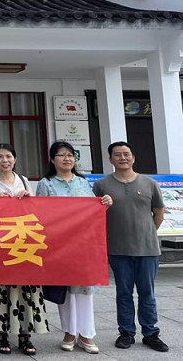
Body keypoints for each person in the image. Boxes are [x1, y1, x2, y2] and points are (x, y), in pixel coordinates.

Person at [36, 141, 113, 354]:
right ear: (53, 160)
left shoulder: (82, 182)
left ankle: (86, 335)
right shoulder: (46, 183)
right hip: (60, 245)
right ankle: (69, 332)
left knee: (85, 289)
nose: (67, 159)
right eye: (62, 155)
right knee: (67, 290)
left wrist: (104, 204)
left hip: (84, 244)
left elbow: (92, 211)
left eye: (70, 155)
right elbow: (40, 214)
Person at [93, 141, 168, 353]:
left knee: (147, 292)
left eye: (126, 154)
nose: (122, 158)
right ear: (110, 159)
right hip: (117, 249)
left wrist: (146, 233)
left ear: (133, 157)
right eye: (117, 155)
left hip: (147, 249)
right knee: (123, 293)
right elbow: (95, 214)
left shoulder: (149, 183)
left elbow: (158, 213)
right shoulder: (101, 185)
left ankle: (151, 333)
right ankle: (126, 333)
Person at [0, 143, 47, 356]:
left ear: (15, 159)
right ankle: (2, 334)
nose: (5, 160)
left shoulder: (24, 181)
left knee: (25, 290)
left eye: (8, 156)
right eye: (0, 157)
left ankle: (25, 334)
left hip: (24, 244)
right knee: (1, 290)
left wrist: (27, 200)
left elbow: (36, 212)